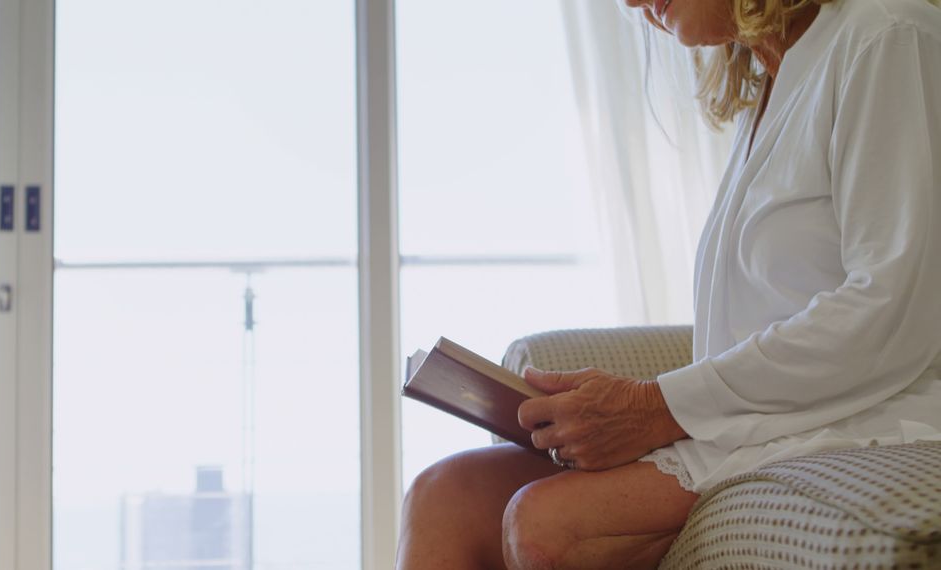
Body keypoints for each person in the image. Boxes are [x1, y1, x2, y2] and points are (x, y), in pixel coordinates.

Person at [395, 0, 941, 568]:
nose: (630, 3)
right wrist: (637, 410)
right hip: (750, 420)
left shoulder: (890, 36)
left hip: (857, 415)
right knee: (443, 496)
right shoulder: (778, 84)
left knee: (547, 520)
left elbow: (893, 311)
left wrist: (657, 407)